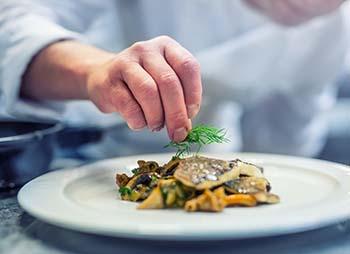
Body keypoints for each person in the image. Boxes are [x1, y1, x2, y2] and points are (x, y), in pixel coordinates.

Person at [0, 0, 347, 157]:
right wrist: (96, 72)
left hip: (211, 171)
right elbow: (13, 24)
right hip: (78, 155)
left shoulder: (336, 31)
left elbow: (284, 149)